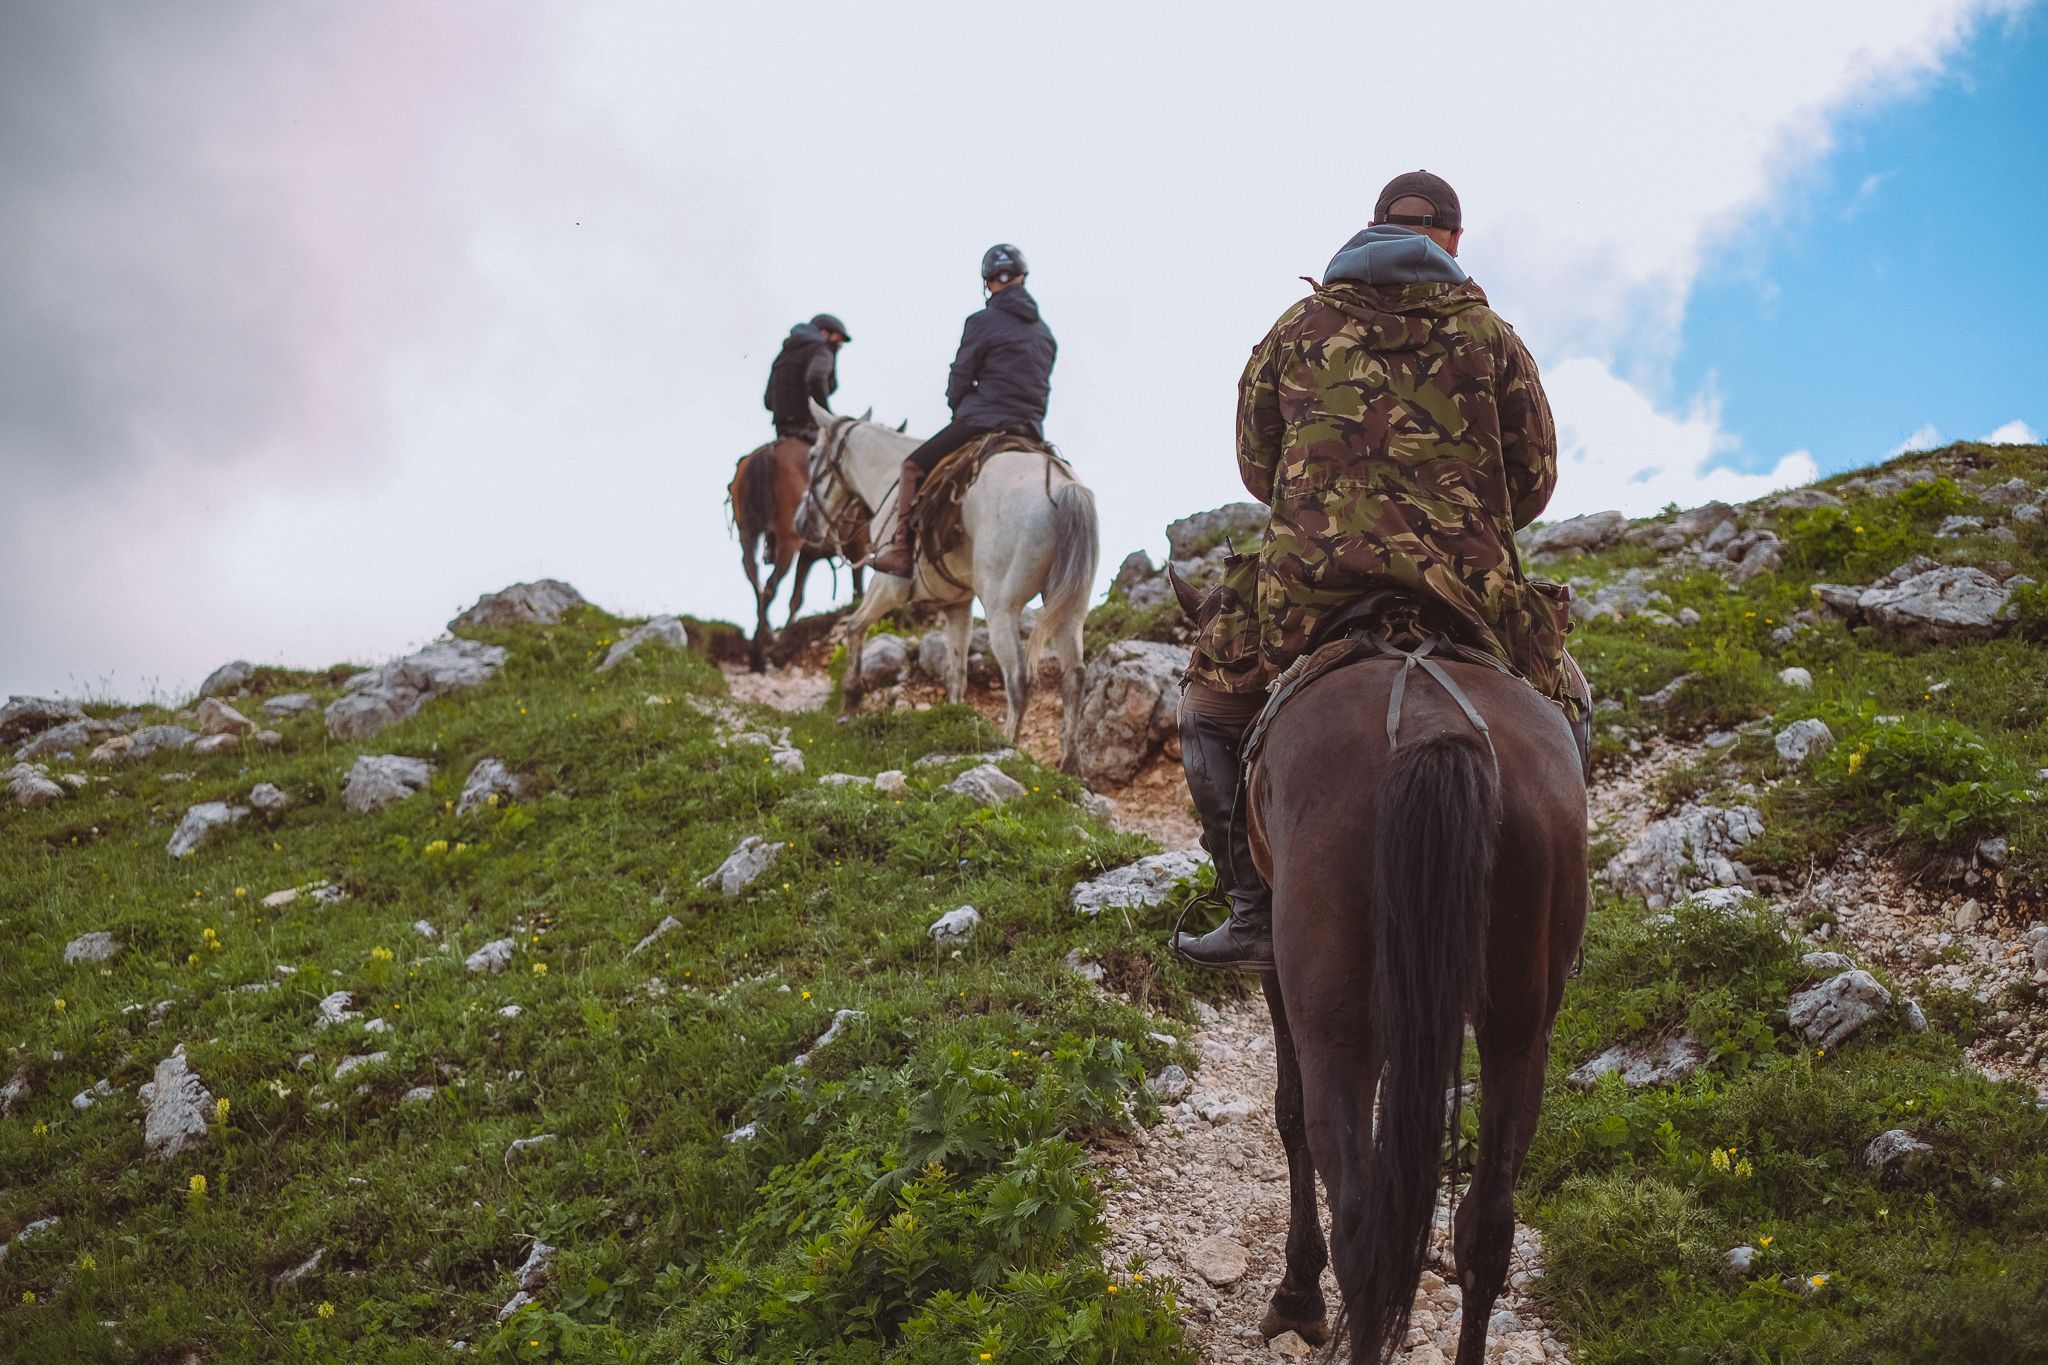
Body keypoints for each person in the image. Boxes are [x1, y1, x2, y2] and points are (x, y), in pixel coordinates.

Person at [1173, 169, 1581, 972]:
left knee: (1207, 710)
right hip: (1468, 591)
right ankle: (1556, 919)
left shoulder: (1297, 327)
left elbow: (1257, 465)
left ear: (1373, 225)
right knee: (1568, 707)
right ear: (1454, 240)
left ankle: (1252, 909)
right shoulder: (1492, 336)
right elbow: (1534, 481)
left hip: (1310, 592)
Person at [870, 245, 1056, 577]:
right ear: (1022, 278)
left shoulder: (982, 321)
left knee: (912, 466)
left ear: (988, 282)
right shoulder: (1045, 334)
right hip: (1028, 428)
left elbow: (961, 375)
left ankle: (901, 552)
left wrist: (960, 407)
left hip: (982, 421)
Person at [764, 313, 850, 440]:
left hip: (782, 430)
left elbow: (768, 401)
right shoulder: (822, 349)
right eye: (837, 339)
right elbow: (816, 378)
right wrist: (825, 413)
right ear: (824, 333)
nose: (840, 345)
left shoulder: (782, 356)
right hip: (809, 428)